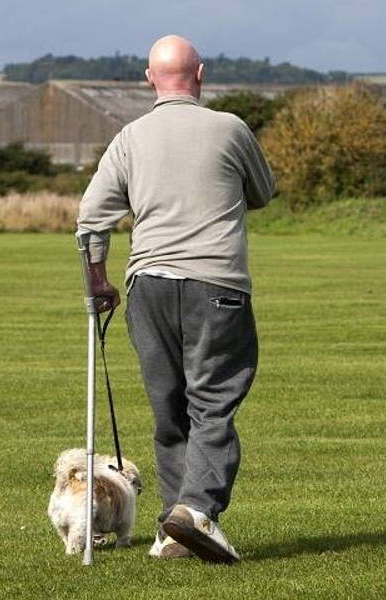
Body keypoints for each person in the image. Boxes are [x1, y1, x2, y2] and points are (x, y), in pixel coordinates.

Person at [75, 34, 274, 564]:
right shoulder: (231, 128)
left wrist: (98, 281)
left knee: (169, 410)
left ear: (149, 79)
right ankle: (197, 511)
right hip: (218, 284)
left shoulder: (128, 137)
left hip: (148, 286)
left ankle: (174, 527)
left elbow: (92, 217)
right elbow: (262, 192)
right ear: (201, 75)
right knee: (212, 402)